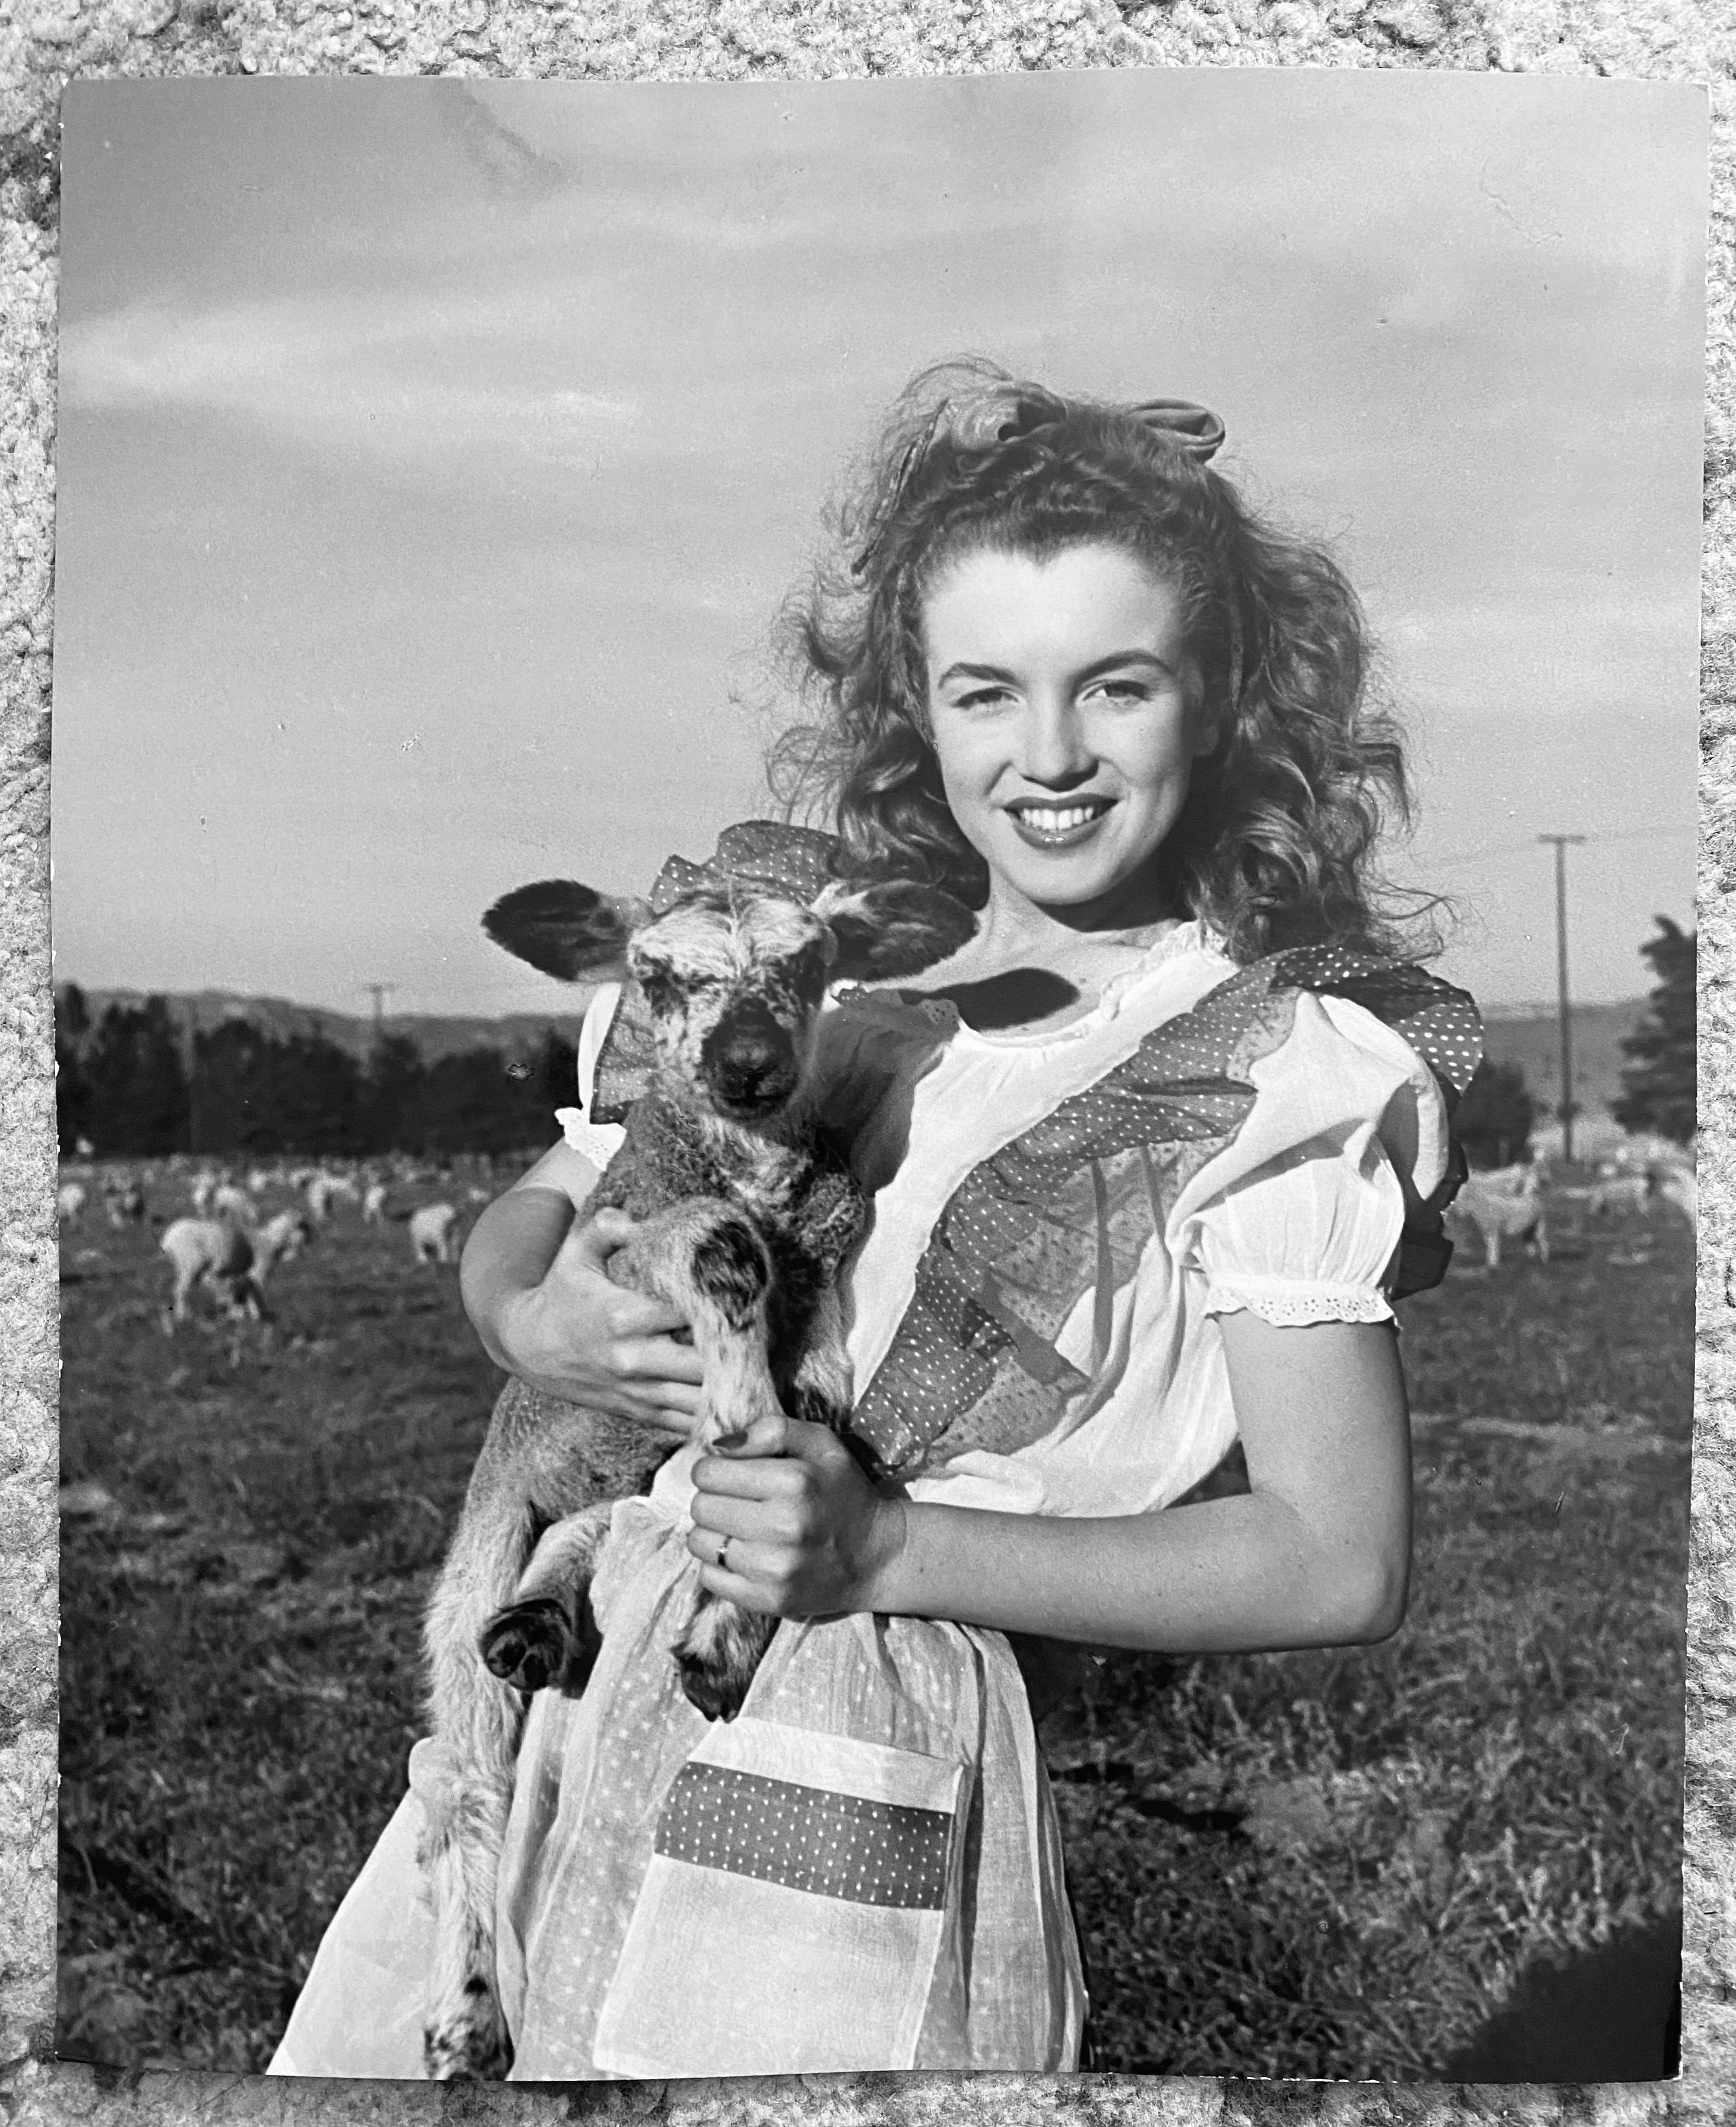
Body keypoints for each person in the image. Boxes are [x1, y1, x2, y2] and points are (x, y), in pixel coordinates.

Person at [268, 362, 1479, 2080]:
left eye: (1114, 686)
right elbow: (545, 1191)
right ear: (915, 701)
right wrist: (517, 1315)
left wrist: (889, 1552)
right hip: (565, 1709)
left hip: (856, 1798)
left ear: (1220, 698)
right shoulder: (829, 992)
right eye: (987, 691)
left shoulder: (1274, 1073)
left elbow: (1337, 1560)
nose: (1045, 755)